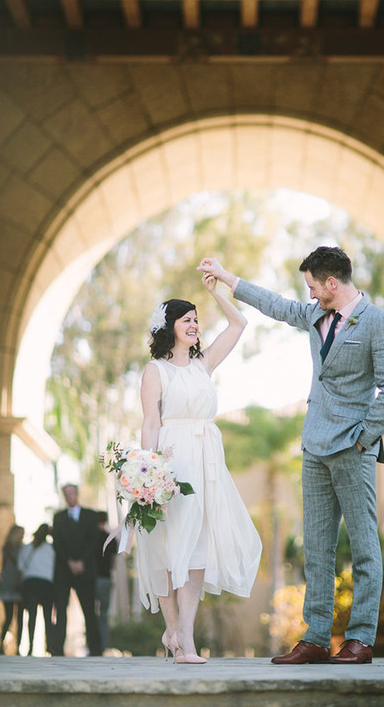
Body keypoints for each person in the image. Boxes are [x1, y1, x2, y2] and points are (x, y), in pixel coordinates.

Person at [198, 246, 384, 665]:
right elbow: (276, 305)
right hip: (313, 447)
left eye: (313, 286)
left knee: (364, 546)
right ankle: (314, 638)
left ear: (333, 282)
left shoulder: (379, 323)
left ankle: (360, 639)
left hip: (353, 446)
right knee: (317, 548)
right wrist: (227, 277)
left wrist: (364, 439)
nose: (309, 295)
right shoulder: (314, 316)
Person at [136, 273, 262, 663]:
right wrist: (146, 476)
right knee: (166, 548)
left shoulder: (203, 364)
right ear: (168, 327)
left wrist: (216, 292)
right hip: (172, 466)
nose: (194, 325)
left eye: (196, 319)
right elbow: (150, 423)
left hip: (208, 466)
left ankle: (185, 640)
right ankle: (172, 629)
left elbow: (240, 324)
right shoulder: (155, 371)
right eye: (186, 319)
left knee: (197, 554)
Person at [51, 483, 102, 656]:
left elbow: (94, 541)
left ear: (77, 494)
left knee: (89, 611)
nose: (70, 496)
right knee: (60, 611)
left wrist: (82, 562)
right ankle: (57, 650)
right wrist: (70, 562)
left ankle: (95, 650)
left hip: (85, 571)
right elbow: (57, 543)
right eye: (67, 493)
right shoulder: (58, 518)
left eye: (72, 492)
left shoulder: (90, 515)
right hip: (64, 571)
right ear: (64, 496)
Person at [18, 523, 55, 656]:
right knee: (47, 617)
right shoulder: (52, 549)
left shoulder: (27, 548)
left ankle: (30, 646)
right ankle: (49, 646)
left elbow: (20, 566)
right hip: (46, 584)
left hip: (30, 583)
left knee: (31, 617)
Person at [0, 524, 25, 655]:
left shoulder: (20, 548)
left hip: (17, 584)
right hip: (11, 583)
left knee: (18, 617)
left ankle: (17, 646)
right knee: (9, 617)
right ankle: (2, 643)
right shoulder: (9, 548)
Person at [95, 511, 116, 653]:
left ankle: (92, 644)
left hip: (92, 579)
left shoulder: (91, 537)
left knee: (91, 613)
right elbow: (113, 561)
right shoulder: (111, 539)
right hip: (106, 578)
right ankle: (102, 645)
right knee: (103, 614)